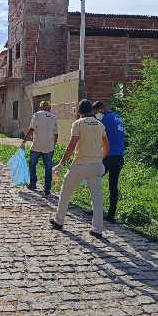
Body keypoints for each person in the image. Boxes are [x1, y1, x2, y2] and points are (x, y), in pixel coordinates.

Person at [49, 99, 109, 238]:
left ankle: (59, 220)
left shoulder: (78, 124)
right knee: (97, 198)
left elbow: (71, 146)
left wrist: (61, 163)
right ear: (92, 110)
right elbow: (106, 146)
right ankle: (98, 229)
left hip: (80, 164)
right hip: (96, 165)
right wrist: (99, 158)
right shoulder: (100, 125)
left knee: (66, 191)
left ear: (78, 112)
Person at [83, 101, 125, 224]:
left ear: (101, 109)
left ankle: (95, 210)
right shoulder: (117, 117)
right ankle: (111, 215)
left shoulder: (106, 120)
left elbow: (96, 136)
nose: (95, 116)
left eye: (95, 113)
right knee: (113, 186)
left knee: (94, 182)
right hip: (119, 157)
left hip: (107, 157)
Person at [20, 100, 58, 196]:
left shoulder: (37, 115)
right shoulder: (54, 117)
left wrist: (24, 141)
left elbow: (31, 129)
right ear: (49, 107)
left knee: (32, 164)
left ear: (41, 107)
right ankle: (47, 188)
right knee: (48, 167)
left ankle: (33, 183)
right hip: (48, 147)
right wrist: (53, 145)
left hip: (36, 145)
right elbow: (56, 134)